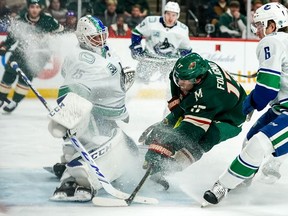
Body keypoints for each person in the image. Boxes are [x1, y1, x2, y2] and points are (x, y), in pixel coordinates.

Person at [203, 2, 288, 205]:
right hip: (282, 108)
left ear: (272, 25)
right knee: (250, 140)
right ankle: (243, 179)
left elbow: (267, 89)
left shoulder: (273, 41)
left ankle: (224, 185)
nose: (257, 31)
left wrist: (250, 103)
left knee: (259, 143)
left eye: (260, 26)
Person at [48, 15, 138, 202]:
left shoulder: (105, 50)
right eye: (96, 37)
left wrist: (120, 82)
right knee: (97, 143)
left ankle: (69, 161)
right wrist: (71, 112)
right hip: (94, 113)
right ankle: (75, 178)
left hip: (105, 113)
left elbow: (102, 77)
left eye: (102, 35)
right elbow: (73, 86)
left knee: (130, 150)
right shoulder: (81, 57)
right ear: (83, 38)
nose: (101, 40)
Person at [140, 52, 247, 188]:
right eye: (178, 78)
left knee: (205, 139)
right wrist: (164, 128)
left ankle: (171, 167)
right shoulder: (187, 71)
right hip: (211, 102)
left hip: (230, 117)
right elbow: (175, 78)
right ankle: (148, 154)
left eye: (184, 81)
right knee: (166, 128)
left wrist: (165, 145)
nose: (179, 83)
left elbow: (190, 132)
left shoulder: (208, 95)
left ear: (198, 80)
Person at [0, 0, 64, 112]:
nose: (35, 9)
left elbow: (62, 31)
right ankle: (1, 98)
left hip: (39, 55)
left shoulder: (48, 20)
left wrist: (52, 37)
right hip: (20, 52)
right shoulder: (20, 20)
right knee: (9, 75)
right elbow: (11, 38)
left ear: (41, 8)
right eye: (32, 7)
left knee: (25, 79)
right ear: (28, 8)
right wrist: (5, 47)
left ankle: (15, 101)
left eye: (37, 7)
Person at [129, 1, 192, 83]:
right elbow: (136, 32)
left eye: (174, 15)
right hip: (149, 59)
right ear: (164, 13)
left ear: (178, 16)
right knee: (139, 82)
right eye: (168, 14)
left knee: (171, 85)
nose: (170, 18)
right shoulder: (150, 22)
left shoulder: (183, 29)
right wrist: (136, 47)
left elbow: (186, 49)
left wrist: (181, 57)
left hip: (170, 62)